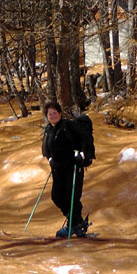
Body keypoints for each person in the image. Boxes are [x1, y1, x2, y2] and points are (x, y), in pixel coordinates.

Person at [41, 101, 89, 238]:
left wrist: (81, 154)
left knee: (72, 196)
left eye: (55, 113)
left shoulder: (69, 126)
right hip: (58, 168)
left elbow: (83, 140)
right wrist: (49, 159)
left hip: (73, 167)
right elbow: (45, 148)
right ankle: (78, 222)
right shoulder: (48, 130)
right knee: (57, 196)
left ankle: (72, 226)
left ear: (60, 113)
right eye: (50, 114)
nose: (52, 116)